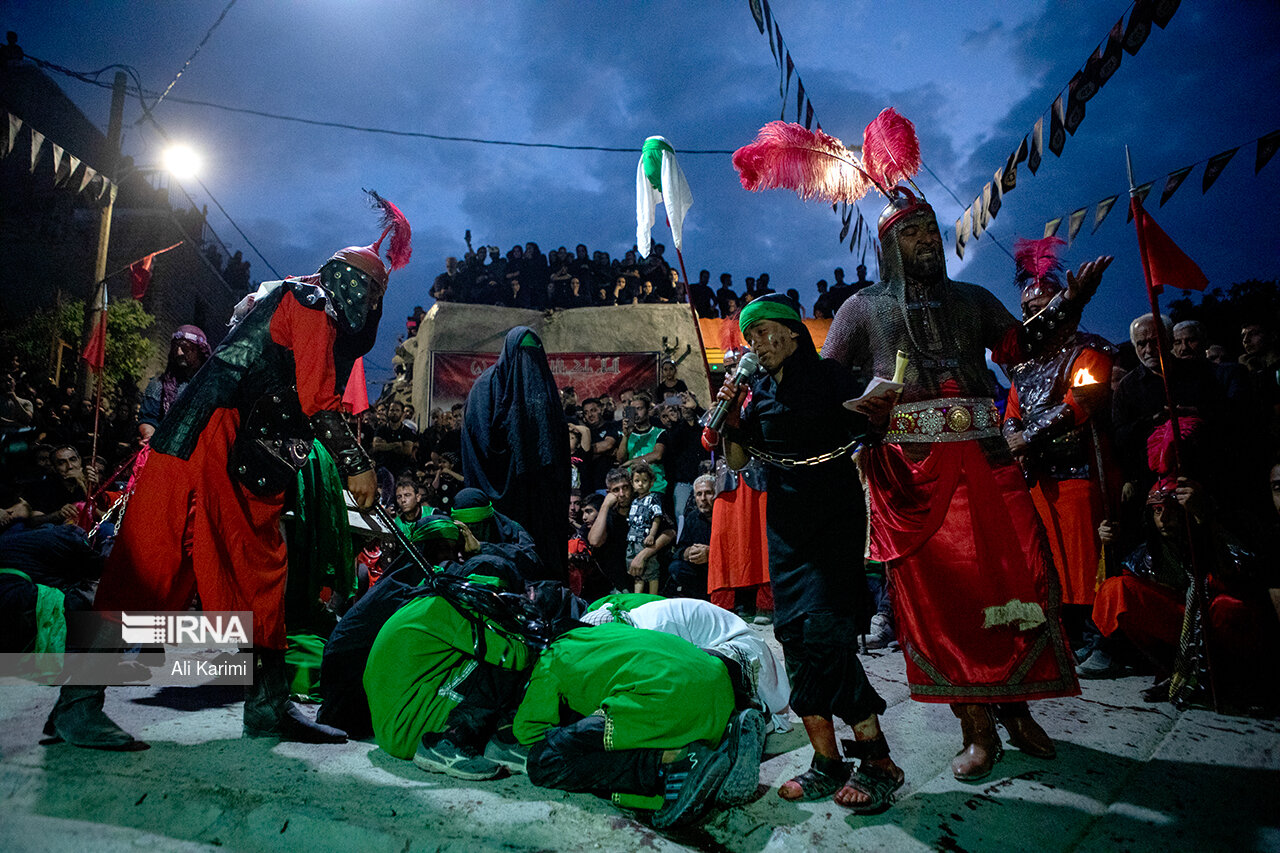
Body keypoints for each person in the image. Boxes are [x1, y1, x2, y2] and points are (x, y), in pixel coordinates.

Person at [43, 193, 411, 750]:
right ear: (362, 289)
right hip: (204, 444)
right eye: (377, 294)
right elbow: (316, 399)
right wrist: (356, 465)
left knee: (261, 576)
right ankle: (77, 701)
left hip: (250, 461)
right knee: (151, 569)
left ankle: (265, 705)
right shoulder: (310, 304)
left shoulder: (314, 312)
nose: (374, 307)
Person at [823, 186, 1106, 780]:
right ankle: (975, 726)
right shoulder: (861, 308)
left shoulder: (972, 298)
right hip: (911, 473)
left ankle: (1019, 709)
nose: (928, 238)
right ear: (888, 246)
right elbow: (829, 391)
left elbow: (1020, 345)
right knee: (943, 605)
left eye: (931, 228)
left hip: (987, 459)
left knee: (1020, 580)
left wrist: (1068, 307)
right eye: (913, 231)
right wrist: (862, 413)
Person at [717, 293, 903, 813]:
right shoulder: (754, 392)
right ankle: (826, 762)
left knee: (826, 635)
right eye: (750, 337)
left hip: (833, 520)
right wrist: (731, 411)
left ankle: (878, 759)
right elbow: (736, 459)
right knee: (795, 638)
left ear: (794, 334)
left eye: (765, 333)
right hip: (787, 528)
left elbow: (875, 417)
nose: (757, 344)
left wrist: (874, 410)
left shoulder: (830, 376)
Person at [514, 621, 766, 830]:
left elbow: (528, 732)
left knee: (543, 760)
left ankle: (673, 765)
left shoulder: (547, 662)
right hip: (717, 685)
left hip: (669, 699)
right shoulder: (595, 631)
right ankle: (728, 736)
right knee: (619, 709)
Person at [1002, 237, 1116, 652]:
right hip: (1038, 476)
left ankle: (1098, 636)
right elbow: (1012, 408)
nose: (1038, 316)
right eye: (1030, 312)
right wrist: (1012, 433)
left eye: (1045, 308)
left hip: (1078, 471)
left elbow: (1080, 402)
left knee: (1085, 559)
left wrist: (1025, 436)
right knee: (1050, 561)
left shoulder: (1090, 349)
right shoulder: (1023, 365)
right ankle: (1063, 632)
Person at [461, 326, 569, 581]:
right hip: (497, 499)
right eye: (522, 354)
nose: (527, 364)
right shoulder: (484, 391)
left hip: (540, 500)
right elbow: (480, 447)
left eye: (532, 355)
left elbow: (553, 447)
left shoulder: (542, 387)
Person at [137, 325, 212, 444]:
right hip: (167, 449)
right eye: (176, 347)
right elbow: (149, 419)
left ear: (199, 351)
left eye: (185, 348)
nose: (179, 353)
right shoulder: (159, 385)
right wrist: (148, 436)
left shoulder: (212, 388)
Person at [666, 473, 714, 599]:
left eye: (708, 493)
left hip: (722, 570)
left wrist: (711, 553)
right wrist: (688, 552)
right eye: (699, 494)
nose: (703, 498)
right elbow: (679, 550)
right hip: (701, 573)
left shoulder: (726, 516)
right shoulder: (692, 517)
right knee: (676, 567)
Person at [625, 461, 669, 595]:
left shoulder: (653, 498)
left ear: (651, 482)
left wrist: (651, 535)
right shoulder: (634, 501)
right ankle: (638, 597)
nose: (640, 484)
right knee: (636, 571)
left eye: (644, 480)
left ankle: (652, 597)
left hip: (645, 540)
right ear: (632, 483)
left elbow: (657, 517)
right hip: (633, 540)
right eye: (637, 481)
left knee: (651, 570)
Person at [613, 391, 668, 498]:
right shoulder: (625, 434)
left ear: (648, 410)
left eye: (639, 409)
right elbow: (620, 459)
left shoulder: (659, 432)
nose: (636, 413)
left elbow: (657, 455)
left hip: (655, 487)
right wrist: (626, 435)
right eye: (633, 410)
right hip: (632, 488)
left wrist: (632, 461)